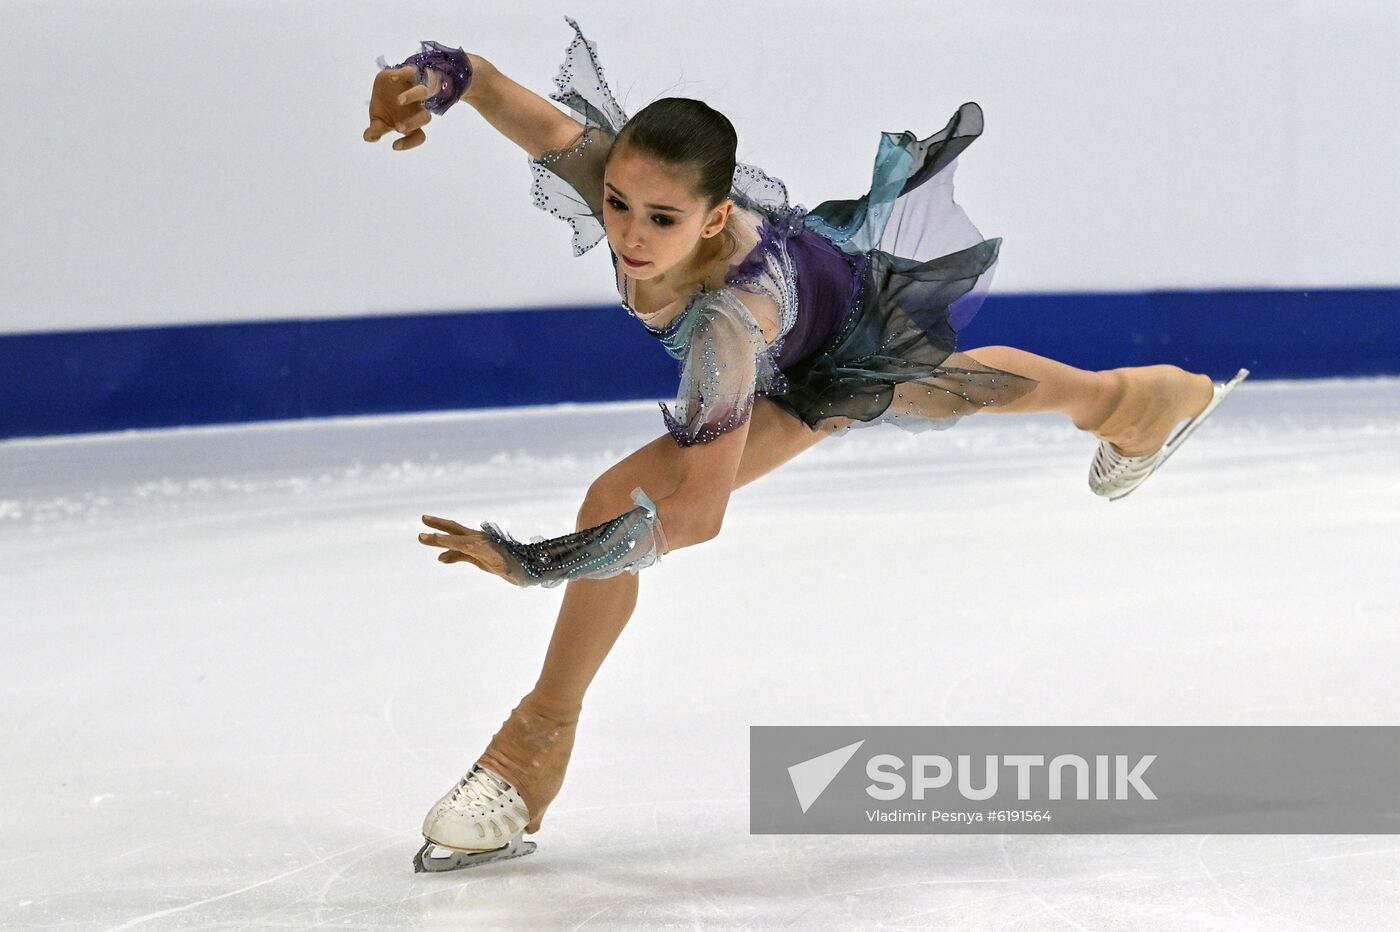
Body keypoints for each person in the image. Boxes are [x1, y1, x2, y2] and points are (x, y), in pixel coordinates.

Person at [363, 17, 1247, 871]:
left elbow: (696, 515)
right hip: (805, 291)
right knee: (951, 383)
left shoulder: (728, 327)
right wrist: (425, 83)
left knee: (644, 491)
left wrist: (534, 562)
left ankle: (528, 753)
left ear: (712, 220)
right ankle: (1132, 402)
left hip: (828, 347)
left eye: (662, 220)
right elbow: (485, 83)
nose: (631, 235)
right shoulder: (621, 175)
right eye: (619, 204)